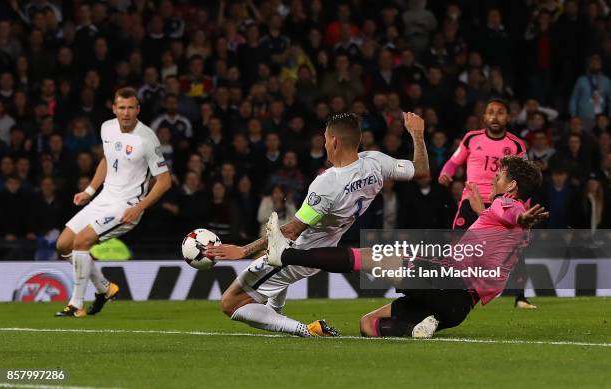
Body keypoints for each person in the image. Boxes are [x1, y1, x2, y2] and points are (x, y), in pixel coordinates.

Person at [262, 156, 547, 338]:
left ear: (511, 186)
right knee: (368, 324)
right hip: (457, 309)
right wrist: (486, 210)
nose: (494, 179)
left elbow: (510, 212)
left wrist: (517, 214)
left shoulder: (508, 206)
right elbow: (502, 222)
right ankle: (421, 327)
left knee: (372, 258)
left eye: (499, 176)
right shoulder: (515, 227)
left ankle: (285, 253)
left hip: (447, 283)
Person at [207, 112, 429, 337]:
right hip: (321, 251)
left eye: (325, 138)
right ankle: (275, 311)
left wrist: (242, 250)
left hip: (297, 255)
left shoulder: (328, 183)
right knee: (269, 280)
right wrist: (418, 135)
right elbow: (421, 171)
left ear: (334, 141)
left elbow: (292, 231)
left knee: (230, 302)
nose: (323, 143)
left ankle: (307, 330)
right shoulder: (376, 163)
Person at [54, 87, 172, 317]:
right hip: (104, 198)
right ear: (114, 108)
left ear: (138, 109)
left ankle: (76, 305)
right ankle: (105, 288)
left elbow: (165, 181)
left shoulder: (146, 138)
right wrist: (90, 190)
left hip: (126, 206)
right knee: (63, 244)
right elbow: (107, 160)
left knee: (81, 242)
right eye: (122, 108)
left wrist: (138, 207)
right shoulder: (106, 128)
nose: (126, 113)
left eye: (130, 108)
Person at [438, 98, 534, 309]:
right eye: (491, 112)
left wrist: (524, 207)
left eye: (500, 112)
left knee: (511, 247)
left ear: (508, 117)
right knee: (457, 246)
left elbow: (525, 178)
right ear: (484, 117)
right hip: (471, 200)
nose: (495, 116)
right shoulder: (471, 138)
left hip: (502, 203)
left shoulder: (516, 144)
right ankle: (446, 288)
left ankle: (520, 297)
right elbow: (454, 161)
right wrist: (446, 172)